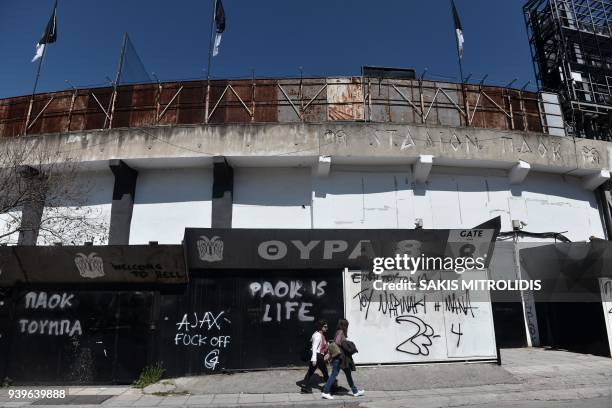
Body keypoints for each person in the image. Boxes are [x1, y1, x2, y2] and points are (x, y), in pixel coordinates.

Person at [321, 319, 365, 400]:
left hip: (343, 359)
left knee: (348, 375)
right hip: (339, 358)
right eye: (347, 325)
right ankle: (325, 392)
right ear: (344, 325)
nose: (347, 327)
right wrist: (345, 344)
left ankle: (355, 392)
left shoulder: (339, 331)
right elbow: (337, 342)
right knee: (334, 375)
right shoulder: (340, 332)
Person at [301, 319, 330, 393]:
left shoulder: (317, 334)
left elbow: (312, 342)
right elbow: (314, 347)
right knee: (325, 371)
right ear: (321, 327)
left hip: (316, 355)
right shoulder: (318, 335)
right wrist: (314, 359)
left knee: (311, 371)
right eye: (325, 327)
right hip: (317, 355)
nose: (327, 328)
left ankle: (304, 386)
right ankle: (328, 387)